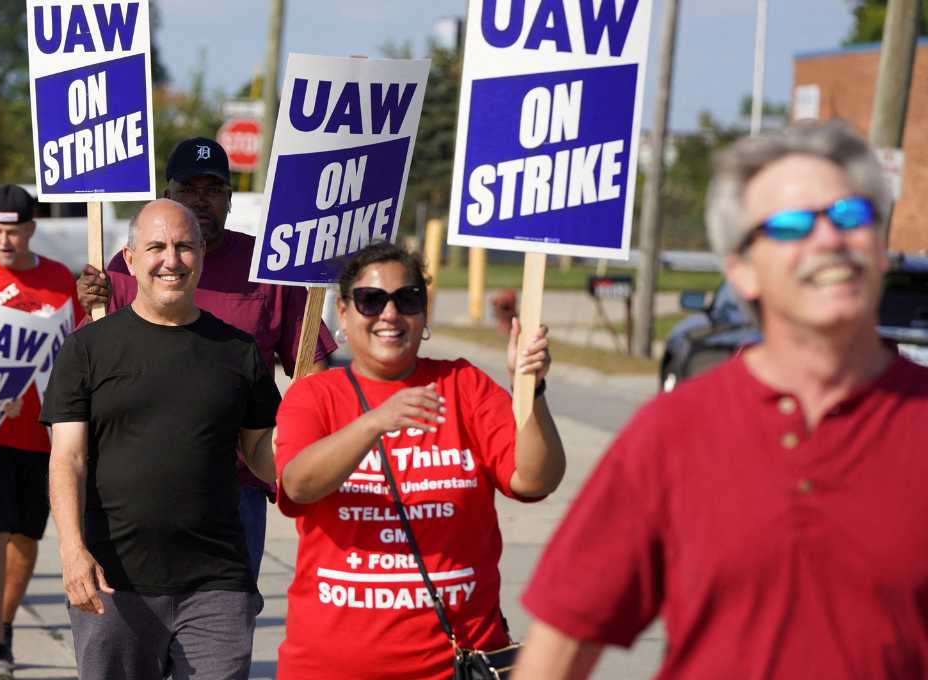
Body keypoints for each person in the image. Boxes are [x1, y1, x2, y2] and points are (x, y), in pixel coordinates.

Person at [514, 121, 928, 679]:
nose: (829, 239)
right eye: (791, 226)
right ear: (742, 271)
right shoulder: (673, 433)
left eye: (851, 216)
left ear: (880, 247)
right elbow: (555, 653)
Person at [273, 240, 566, 680]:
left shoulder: (464, 384)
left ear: (424, 315)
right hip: (330, 666)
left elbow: (536, 479)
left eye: (406, 299)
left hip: (456, 664)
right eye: (371, 301)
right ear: (346, 315)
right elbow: (297, 484)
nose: (389, 314)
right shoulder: (316, 397)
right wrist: (374, 423)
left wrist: (532, 391)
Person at [77, 137, 337, 580]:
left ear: (230, 199)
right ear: (167, 195)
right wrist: (91, 306)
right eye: (188, 188)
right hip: (135, 487)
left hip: (235, 490)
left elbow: (311, 365)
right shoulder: (127, 269)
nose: (201, 199)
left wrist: (298, 438)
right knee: (139, 637)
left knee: (222, 636)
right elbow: (89, 373)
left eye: (213, 189)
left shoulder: (268, 264)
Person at [43, 199, 281, 680]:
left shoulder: (238, 351)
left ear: (201, 256)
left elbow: (261, 452)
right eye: (156, 247)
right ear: (129, 260)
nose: (171, 260)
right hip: (114, 583)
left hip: (218, 582)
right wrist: (71, 550)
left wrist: (311, 444)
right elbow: (67, 458)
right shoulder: (87, 348)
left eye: (184, 247)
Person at [0, 184, 82, 680]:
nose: (4, 241)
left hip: (43, 435)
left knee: (26, 537)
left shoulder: (57, 280)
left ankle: (1, 624)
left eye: (13, 231)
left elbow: (83, 342)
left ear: (31, 229)